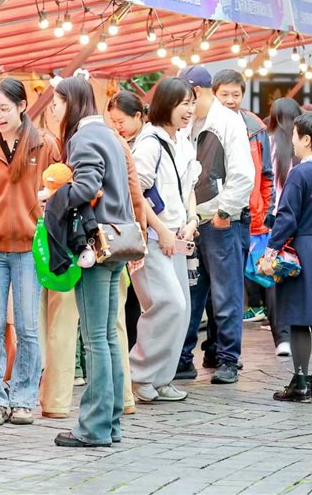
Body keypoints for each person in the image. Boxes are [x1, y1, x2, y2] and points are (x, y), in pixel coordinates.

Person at [0, 78, 61, 428]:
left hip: (30, 247)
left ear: (21, 106)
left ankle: (23, 398)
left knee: (28, 327)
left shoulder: (45, 145)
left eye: (4, 108)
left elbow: (61, 185)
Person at [51, 77, 138, 448]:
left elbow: (86, 187)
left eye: (56, 103)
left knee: (95, 341)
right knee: (108, 339)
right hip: (116, 245)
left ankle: (94, 427)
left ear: (71, 102)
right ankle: (110, 424)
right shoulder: (107, 135)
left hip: (95, 247)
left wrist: (55, 197)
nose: (53, 110)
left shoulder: (83, 138)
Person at [176, 66, 255, 384]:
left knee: (226, 294)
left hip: (222, 221)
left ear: (195, 92)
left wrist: (225, 212)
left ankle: (228, 360)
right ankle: (184, 357)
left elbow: (243, 174)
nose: (183, 105)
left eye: (185, 98)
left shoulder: (227, 121)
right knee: (193, 294)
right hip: (196, 222)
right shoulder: (190, 123)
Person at [263, 111, 312, 402]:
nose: (293, 142)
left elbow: (286, 217)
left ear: (307, 139)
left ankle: (299, 382)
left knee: (298, 317)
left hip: (303, 248)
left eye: (295, 136)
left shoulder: (300, 173)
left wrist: (271, 249)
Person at [129, 78, 199, 403]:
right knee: (168, 304)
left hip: (175, 239)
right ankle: (140, 373)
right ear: (166, 105)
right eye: (183, 103)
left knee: (181, 311)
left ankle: (162, 379)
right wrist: (163, 229)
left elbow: (189, 186)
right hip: (154, 241)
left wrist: (192, 219)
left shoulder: (182, 141)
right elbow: (136, 195)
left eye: (191, 102)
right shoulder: (149, 144)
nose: (189, 109)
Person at [211, 71, 275, 327]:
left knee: (248, 277)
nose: (230, 100)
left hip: (249, 214)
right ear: (213, 94)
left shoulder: (254, 126)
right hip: (213, 214)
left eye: (235, 95)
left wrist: (265, 212)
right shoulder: (206, 124)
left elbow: (266, 174)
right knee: (222, 283)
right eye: (224, 94)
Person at [106, 90, 147, 348]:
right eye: (113, 122)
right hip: (125, 229)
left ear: (138, 116)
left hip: (137, 230)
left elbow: (138, 193)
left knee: (134, 297)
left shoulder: (145, 143)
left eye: (121, 122)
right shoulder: (121, 142)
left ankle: (133, 352)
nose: (117, 127)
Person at [266, 97, 302, 356]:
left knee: (274, 275)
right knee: (298, 273)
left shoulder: (268, 145)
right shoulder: (304, 146)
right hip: (301, 219)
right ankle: (300, 330)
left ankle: (282, 338)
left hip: (275, 219)